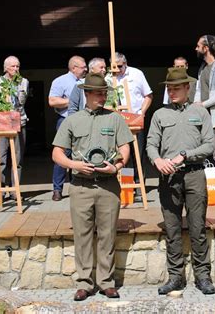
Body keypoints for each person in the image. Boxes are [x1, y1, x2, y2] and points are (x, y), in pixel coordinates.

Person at [52, 73, 133, 301]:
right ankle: (85, 283)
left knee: (107, 235)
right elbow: (57, 153)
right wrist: (73, 164)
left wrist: (117, 167)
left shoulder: (115, 119)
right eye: (98, 93)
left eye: (104, 92)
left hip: (108, 186)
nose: (102, 96)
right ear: (86, 94)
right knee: (83, 235)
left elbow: (125, 147)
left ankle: (107, 282)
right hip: (80, 187)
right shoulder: (72, 120)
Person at [146, 67, 215, 295]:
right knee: (172, 229)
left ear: (187, 88)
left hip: (194, 174)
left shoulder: (201, 113)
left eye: (176, 88)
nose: (172, 92)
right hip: (168, 177)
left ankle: (203, 276)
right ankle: (176, 276)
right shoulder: (159, 114)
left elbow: (209, 145)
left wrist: (185, 154)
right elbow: (150, 145)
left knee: (197, 228)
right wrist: (157, 161)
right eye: (169, 88)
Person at [110, 52, 153, 202]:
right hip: (117, 122)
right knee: (122, 156)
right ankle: (126, 188)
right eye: (114, 67)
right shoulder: (109, 78)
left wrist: (141, 113)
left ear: (125, 63)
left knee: (138, 154)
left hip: (135, 120)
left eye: (120, 66)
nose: (117, 70)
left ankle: (139, 186)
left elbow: (148, 95)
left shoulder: (136, 74)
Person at [49, 55, 87, 201]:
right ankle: (57, 189)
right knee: (62, 154)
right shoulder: (60, 81)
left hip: (84, 120)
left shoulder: (86, 81)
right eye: (83, 67)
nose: (86, 69)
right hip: (66, 120)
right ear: (73, 68)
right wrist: (71, 101)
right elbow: (52, 101)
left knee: (81, 153)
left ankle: (77, 187)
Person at [0, 56, 29, 200]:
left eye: (17, 66)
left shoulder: (24, 81)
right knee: (1, 158)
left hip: (19, 122)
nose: (16, 69)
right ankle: (0, 191)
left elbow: (22, 102)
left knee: (18, 158)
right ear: (5, 68)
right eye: (13, 66)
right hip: (2, 123)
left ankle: (15, 190)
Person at [193, 34, 215, 165]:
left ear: (206, 48)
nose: (196, 49)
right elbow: (198, 89)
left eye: (198, 46)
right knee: (205, 153)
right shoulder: (202, 68)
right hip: (203, 118)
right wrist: (196, 104)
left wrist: (204, 104)